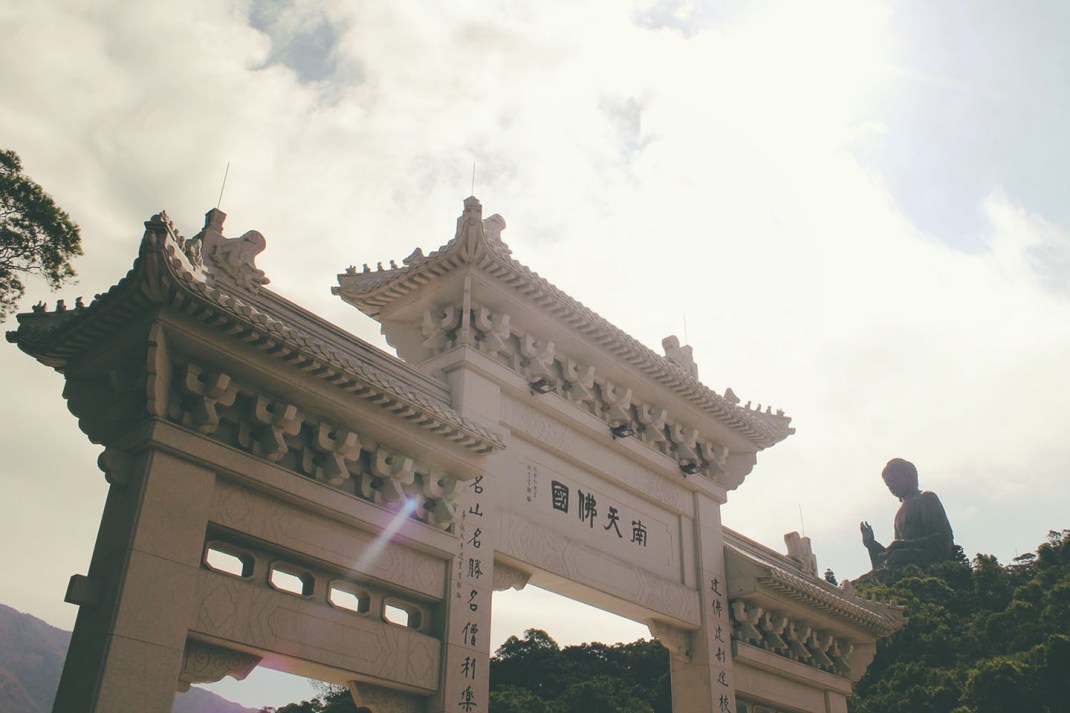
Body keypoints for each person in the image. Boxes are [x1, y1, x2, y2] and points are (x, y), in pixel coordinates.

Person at [860, 458, 954, 576]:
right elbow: (891, 553)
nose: (891, 486)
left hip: (928, 561)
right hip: (903, 559)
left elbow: (943, 538)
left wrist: (904, 544)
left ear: (909, 475)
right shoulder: (898, 515)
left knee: (896, 559)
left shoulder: (926, 499)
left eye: (893, 480)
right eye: (888, 484)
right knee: (868, 577)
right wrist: (871, 544)